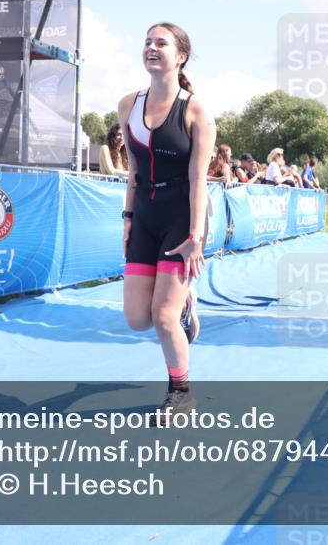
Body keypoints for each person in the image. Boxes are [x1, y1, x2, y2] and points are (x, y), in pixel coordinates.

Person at [119, 22, 214, 421]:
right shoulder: (128, 105)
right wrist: (128, 218)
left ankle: (181, 393)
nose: (152, 48)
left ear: (181, 56)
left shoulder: (195, 109)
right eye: (147, 42)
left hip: (182, 217)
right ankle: (185, 302)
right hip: (145, 214)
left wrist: (195, 236)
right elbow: (133, 170)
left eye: (161, 43)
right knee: (137, 319)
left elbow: (198, 179)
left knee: (162, 317)